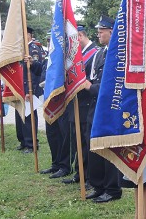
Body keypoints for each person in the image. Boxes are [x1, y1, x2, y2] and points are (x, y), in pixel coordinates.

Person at [82, 16, 123, 203]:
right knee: (94, 148)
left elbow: (112, 85)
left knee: (108, 150)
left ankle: (112, 189)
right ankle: (98, 185)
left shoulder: (118, 54)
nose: (98, 33)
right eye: (98, 30)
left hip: (109, 108)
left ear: (112, 32)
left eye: (102, 30)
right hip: (95, 107)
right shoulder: (100, 53)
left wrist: (90, 87)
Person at [63, 25, 98, 186]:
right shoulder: (80, 54)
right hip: (76, 103)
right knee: (77, 142)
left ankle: (89, 177)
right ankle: (80, 173)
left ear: (81, 36)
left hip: (87, 104)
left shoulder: (95, 53)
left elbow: (91, 80)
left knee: (86, 143)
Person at [39, 32, 71, 179]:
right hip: (49, 100)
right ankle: (55, 163)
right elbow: (43, 74)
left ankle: (65, 166)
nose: (48, 43)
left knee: (63, 135)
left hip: (62, 101)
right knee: (52, 134)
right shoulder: (49, 57)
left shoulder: (65, 58)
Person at [16, 26, 43, 154]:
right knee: (20, 116)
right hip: (20, 88)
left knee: (29, 118)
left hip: (29, 89)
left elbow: (35, 73)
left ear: (29, 35)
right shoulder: (21, 49)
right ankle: (23, 141)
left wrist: (29, 91)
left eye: (23, 33)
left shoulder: (33, 49)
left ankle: (31, 144)